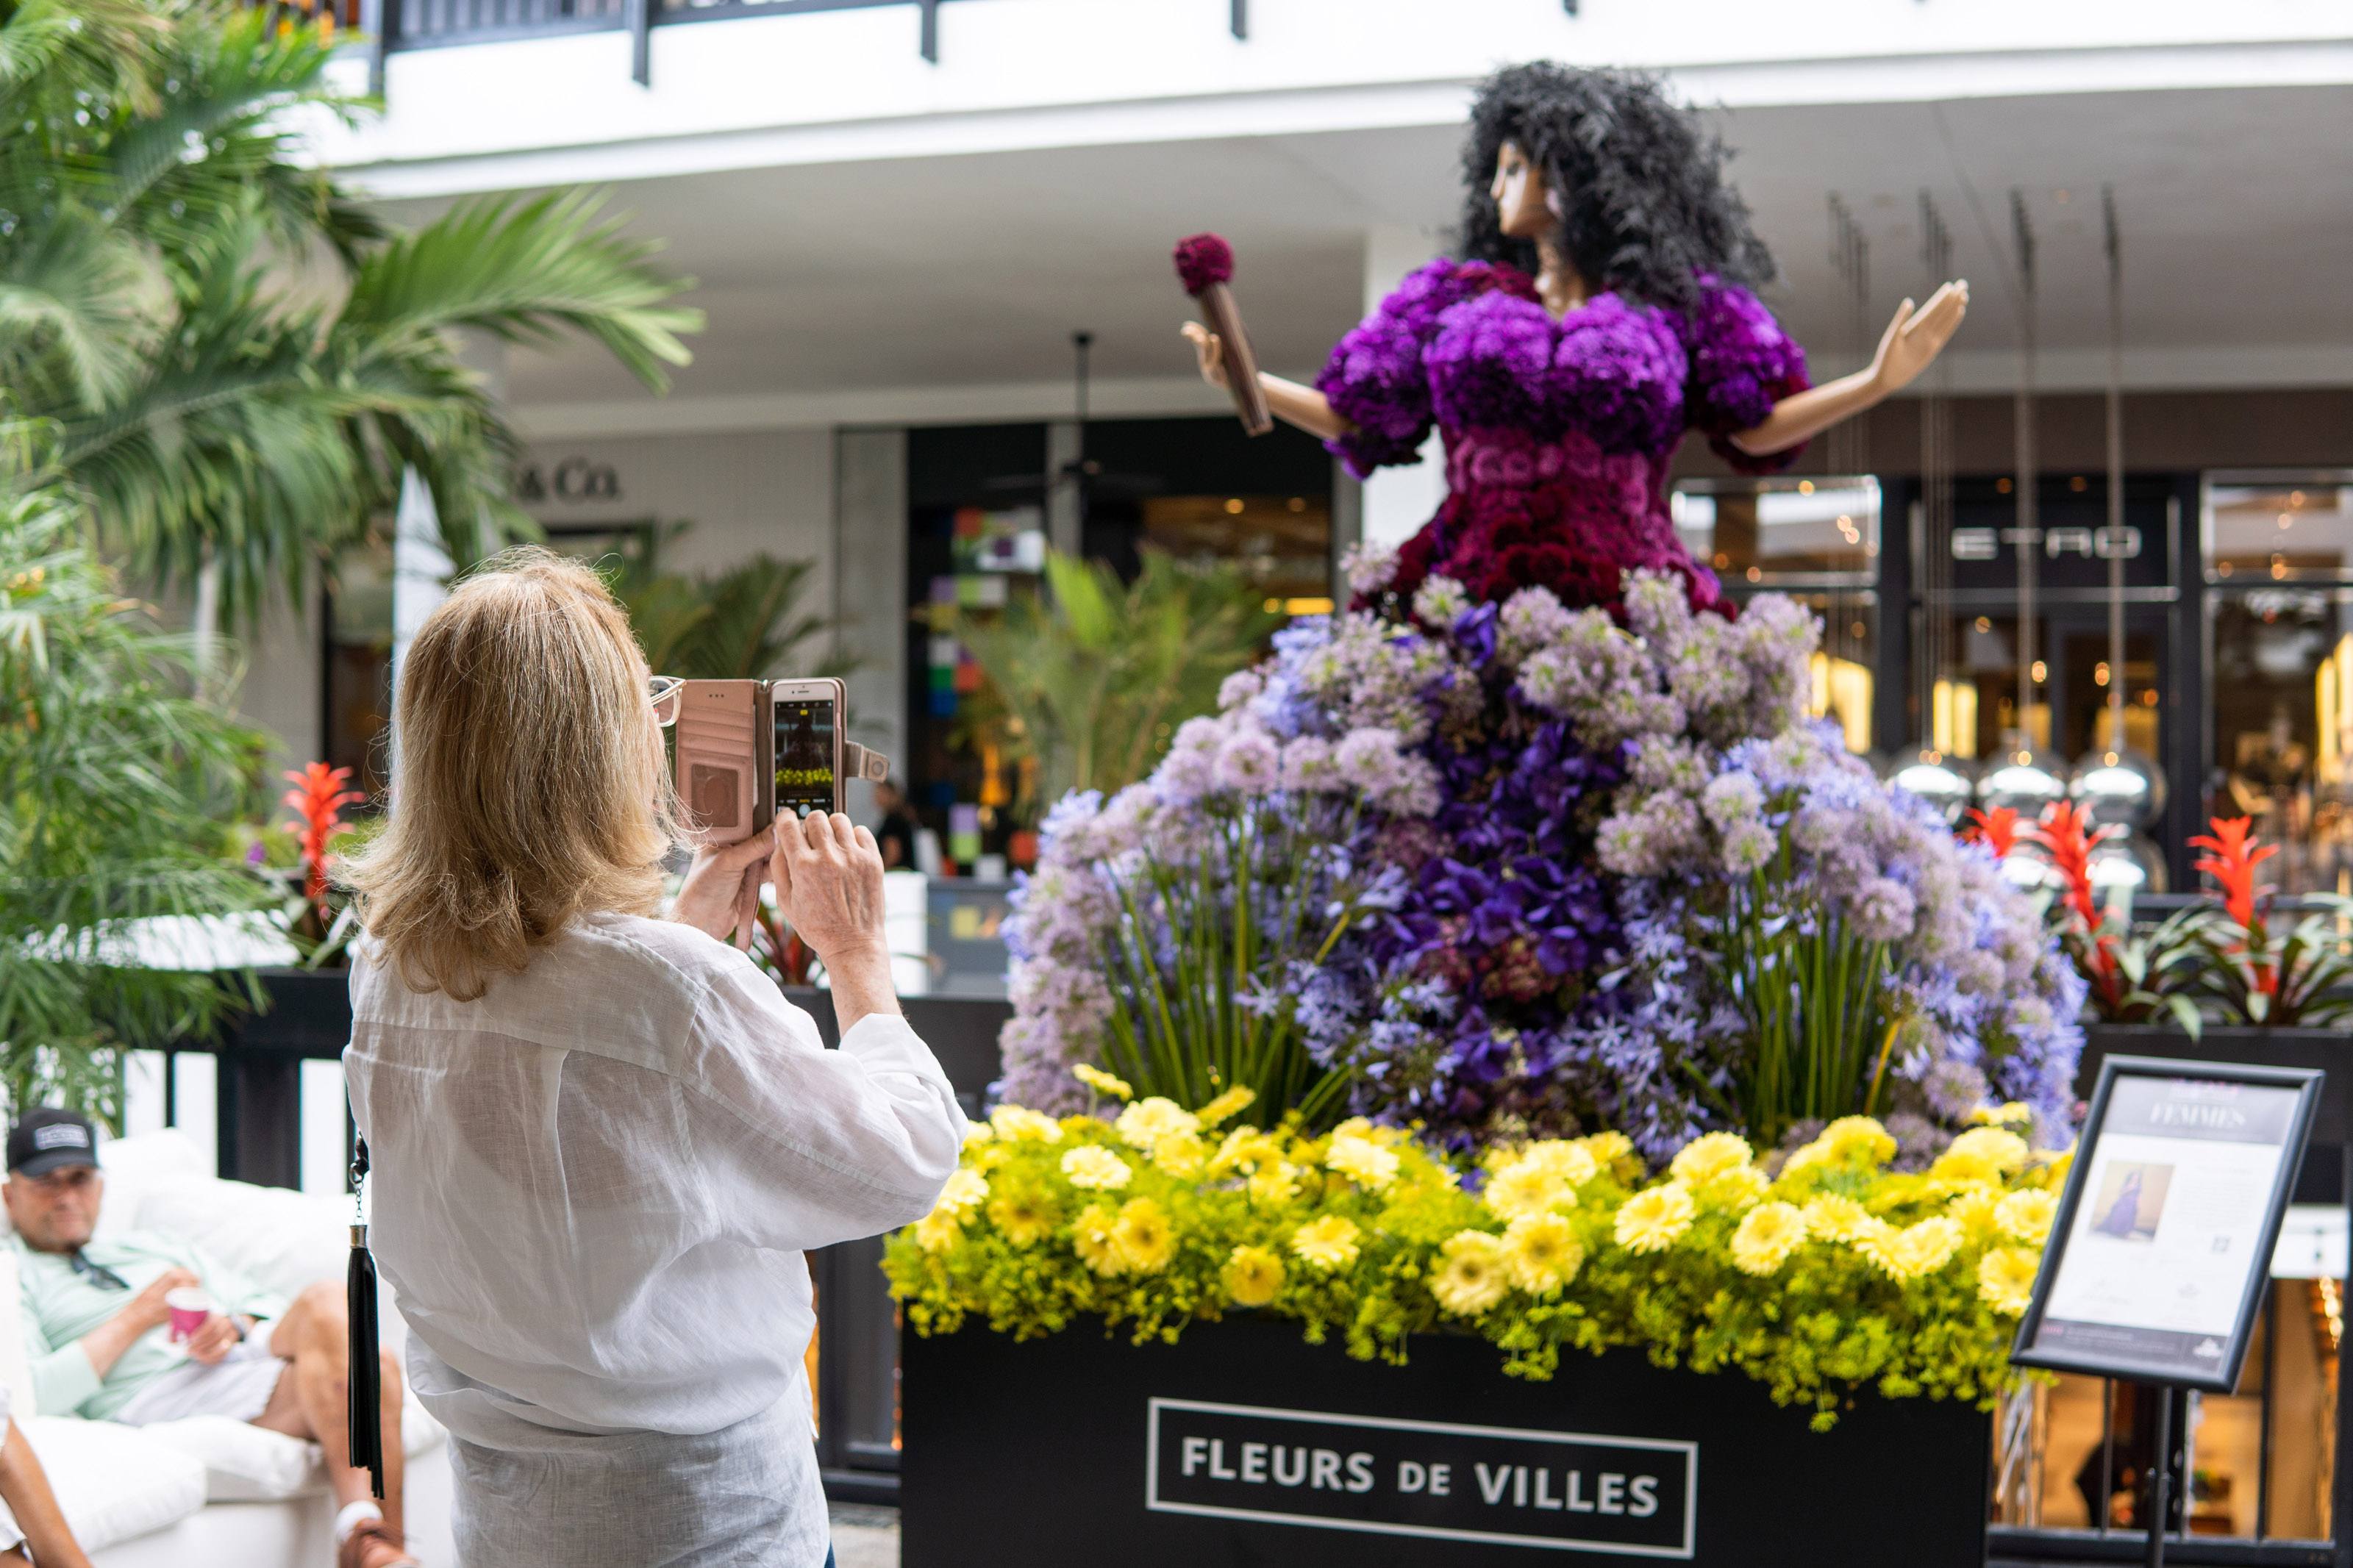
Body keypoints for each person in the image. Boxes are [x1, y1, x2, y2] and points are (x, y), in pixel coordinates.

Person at [340, 551, 963, 1568]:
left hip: (504, 1523)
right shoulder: (666, 990)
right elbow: (904, 1159)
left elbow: (574, 1138)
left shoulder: (389, 966)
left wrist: (690, 942)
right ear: (601, 752)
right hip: (706, 1526)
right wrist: (855, 955)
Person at [1183, 62, 1967, 617]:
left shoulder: (1675, 308)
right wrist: (1245, 379)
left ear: (1572, 176)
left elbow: (1752, 425)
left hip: (1629, 585)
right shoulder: (1449, 300)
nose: (1496, 189)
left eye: (1514, 167)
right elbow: (1359, 417)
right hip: (1468, 579)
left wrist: (1873, 381)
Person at [4, 1109, 413, 1568]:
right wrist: (137, 1316)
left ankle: (369, 1541)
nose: (66, 1197)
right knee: (376, 1368)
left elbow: (261, 1302)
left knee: (330, 1307)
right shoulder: (16, 1273)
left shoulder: (150, 1246)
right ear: (9, 1194)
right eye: (47, 1182)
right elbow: (29, 1397)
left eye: (79, 1179)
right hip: (149, 1395)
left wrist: (234, 1325)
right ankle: (377, 1545)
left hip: (233, 1366)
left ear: (100, 1186)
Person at [873, 777, 918, 870]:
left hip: (897, 875)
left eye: (880, 792)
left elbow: (893, 854)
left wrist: (878, 872)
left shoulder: (893, 821)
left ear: (890, 795)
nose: (876, 796)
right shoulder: (900, 817)